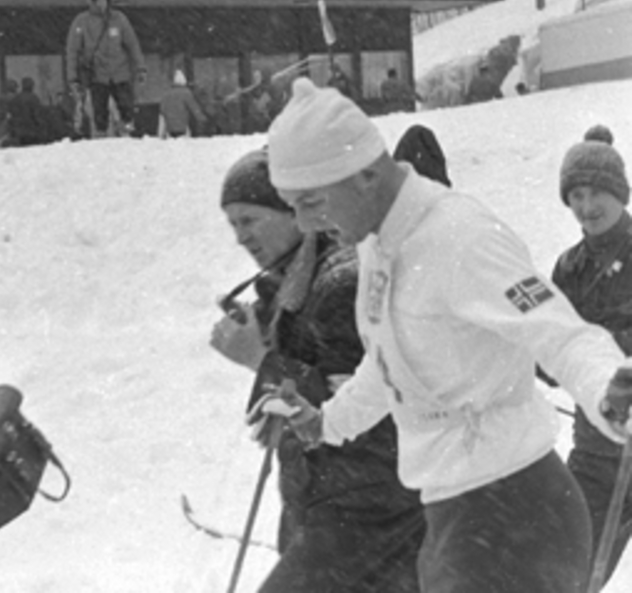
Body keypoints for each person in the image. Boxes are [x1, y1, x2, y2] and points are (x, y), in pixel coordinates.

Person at [259, 77, 632, 593]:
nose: (304, 224)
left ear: (365, 174)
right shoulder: (377, 247)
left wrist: (608, 387)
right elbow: (386, 365)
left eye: (310, 201)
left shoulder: (460, 236)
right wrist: (325, 424)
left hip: (514, 518)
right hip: (454, 520)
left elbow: (559, 331)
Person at [210, 149, 424, 592]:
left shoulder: (341, 284)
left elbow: (366, 417)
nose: (241, 237)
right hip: (331, 502)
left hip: (366, 510)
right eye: (233, 225)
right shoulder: (295, 283)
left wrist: (261, 360)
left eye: (250, 220)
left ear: (292, 213)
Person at [552, 126, 632, 585]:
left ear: (619, 192)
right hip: (598, 448)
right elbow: (554, 343)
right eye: (577, 195)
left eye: (598, 191)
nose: (587, 205)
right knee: (568, 568)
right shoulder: (569, 267)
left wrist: (605, 349)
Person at [65, 0, 145, 136]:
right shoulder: (82, 21)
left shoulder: (119, 19)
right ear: (91, 2)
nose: (102, 3)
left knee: (126, 108)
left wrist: (141, 67)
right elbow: (72, 51)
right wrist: (73, 78)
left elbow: (133, 44)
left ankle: (127, 132)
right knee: (99, 113)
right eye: (98, 0)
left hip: (120, 73)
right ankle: (102, 136)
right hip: (97, 75)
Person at [157, 70, 206, 138]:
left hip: (170, 128)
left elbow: (162, 111)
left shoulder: (167, 94)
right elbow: (194, 108)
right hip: (182, 127)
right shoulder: (186, 93)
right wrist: (202, 119)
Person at [6, 76, 46, 147]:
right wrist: (42, 128)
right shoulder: (34, 98)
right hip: (32, 132)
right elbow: (38, 115)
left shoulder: (15, 99)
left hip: (19, 133)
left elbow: (11, 116)